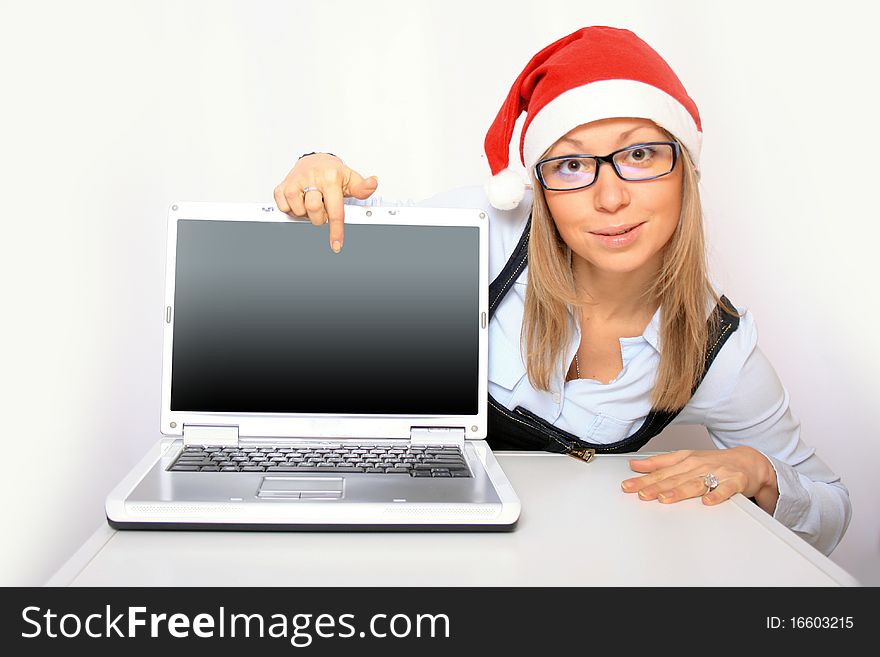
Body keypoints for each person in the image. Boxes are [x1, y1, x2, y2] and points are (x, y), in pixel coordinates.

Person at [272, 26, 850, 555]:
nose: (610, 198)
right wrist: (316, 171)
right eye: (573, 165)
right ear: (540, 185)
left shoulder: (716, 345)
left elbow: (830, 506)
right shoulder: (487, 232)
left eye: (641, 154)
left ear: (686, 171)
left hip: (568, 569)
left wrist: (759, 472)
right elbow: (344, 226)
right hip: (404, 543)